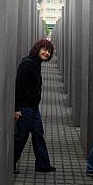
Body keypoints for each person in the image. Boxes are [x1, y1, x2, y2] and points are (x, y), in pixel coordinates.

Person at [14, 39, 56, 174]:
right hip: (25, 107)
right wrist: (17, 108)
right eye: (44, 49)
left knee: (38, 134)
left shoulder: (37, 64)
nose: (46, 53)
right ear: (37, 49)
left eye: (49, 51)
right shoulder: (28, 64)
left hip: (33, 107)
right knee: (22, 136)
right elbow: (18, 87)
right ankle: (11, 162)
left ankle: (43, 164)